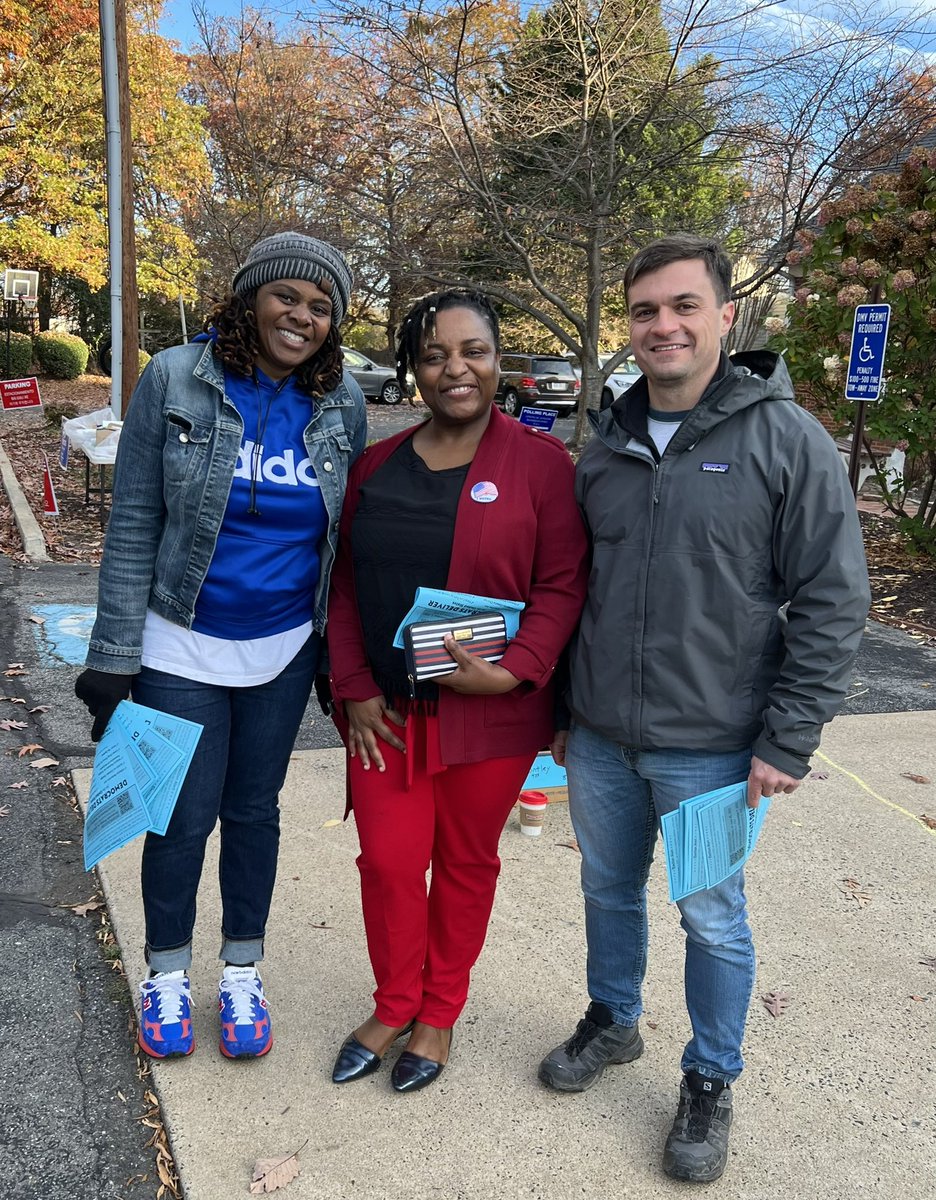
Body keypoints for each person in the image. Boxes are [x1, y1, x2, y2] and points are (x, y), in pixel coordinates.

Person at [538, 235, 871, 1182]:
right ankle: (613, 1020)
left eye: (684, 306)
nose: (663, 325)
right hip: (601, 736)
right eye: (646, 311)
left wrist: (789, 737)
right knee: (606, 891)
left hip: (715, 746)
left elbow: (833, 598)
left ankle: (711, 1077)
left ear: (726, 317)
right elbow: (576, 588)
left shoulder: (784, 439)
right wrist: (565, 705)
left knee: (711, 916)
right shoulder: (603, 446)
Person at [74, 232, 366, 1061]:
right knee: (181, 819)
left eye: (320, 308)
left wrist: (337, 656)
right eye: (287, 297)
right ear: (249, 296)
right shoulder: (174, 378)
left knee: (253, 815)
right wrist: (114, 654)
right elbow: (133, 522)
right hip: (178, 645)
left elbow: (344, 537)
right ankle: (166, 974)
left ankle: (243, 971)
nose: (301, 317)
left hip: (281, 649)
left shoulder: (338, 401)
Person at [325, 288, 589, 1093]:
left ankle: (437, 1012)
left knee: (467, 863)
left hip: (490, 718)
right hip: (387, 717)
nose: (455, 368)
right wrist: (355, 687)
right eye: (435, 354)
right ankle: (395, 998)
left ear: (498, 358)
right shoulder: (377, 464)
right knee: (390, 864)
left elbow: (564, 584)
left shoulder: (542, 466)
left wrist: (516, 669)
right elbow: (341, 586)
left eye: (472, 349)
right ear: (414, 368)